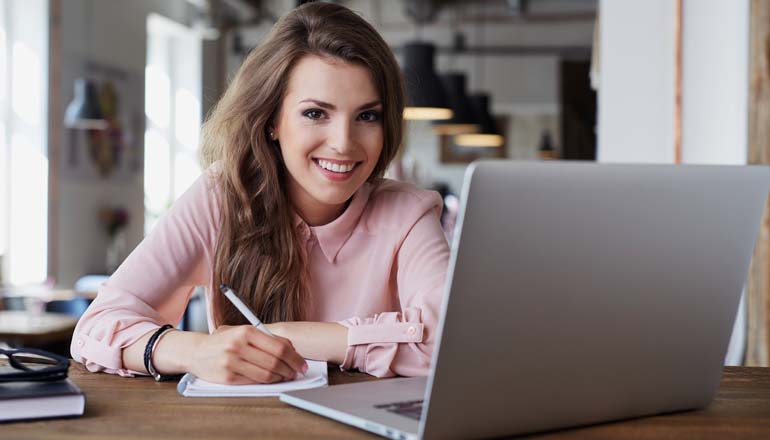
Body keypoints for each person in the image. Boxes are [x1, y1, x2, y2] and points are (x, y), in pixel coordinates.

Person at [71, 2, 449, 385]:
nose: (343, 143)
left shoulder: (409, 212)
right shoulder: (221, 197)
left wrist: (288, 336)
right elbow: (95, 328)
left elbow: (451, 343)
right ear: (271, 121)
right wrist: (198, 351)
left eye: (367, 116)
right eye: (316, 113)